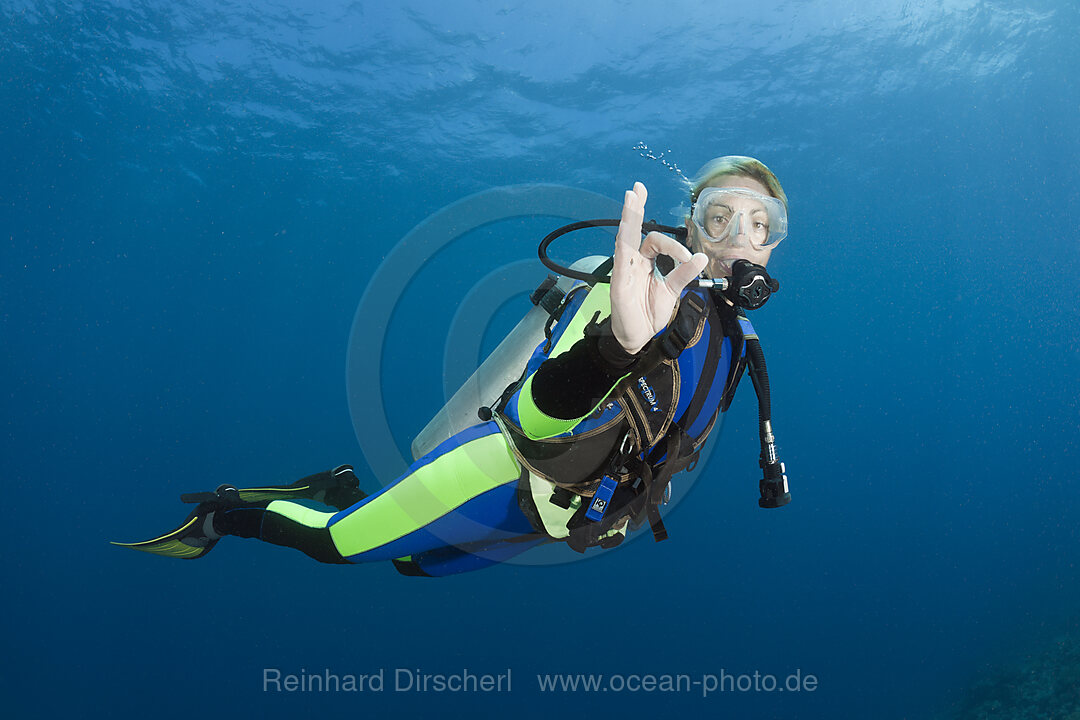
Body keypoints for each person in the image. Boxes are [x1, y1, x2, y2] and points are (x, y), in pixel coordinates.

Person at [115, 156, 790, 576]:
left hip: (558, 515)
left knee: (412, 564)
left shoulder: (741, 343)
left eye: (759, 223)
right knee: (335, 547)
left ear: (774, 241)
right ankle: (224, 516)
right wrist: (615, 346)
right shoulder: (640, 291)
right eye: (718, 215)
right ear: (691, 225)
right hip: (499, 472)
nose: (738, 237)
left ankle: (336, 485)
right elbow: (533, 415)